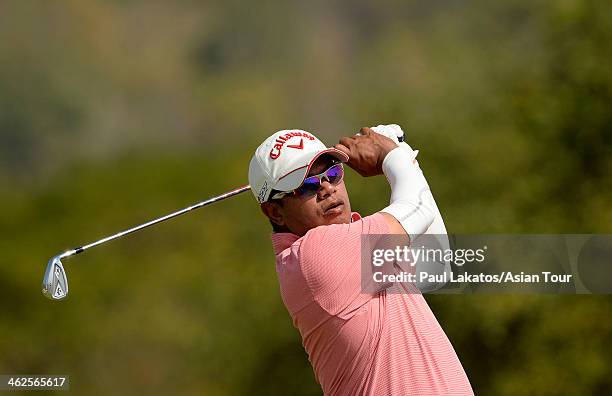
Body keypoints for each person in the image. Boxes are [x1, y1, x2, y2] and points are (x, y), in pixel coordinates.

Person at [248, 125, 473, 395]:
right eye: (307, 185)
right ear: (275, 211)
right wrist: (391, 154)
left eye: (332, 172)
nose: (327, 189)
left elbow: (434, 264)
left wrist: (401, 155)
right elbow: (418, 206)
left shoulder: (354, 247)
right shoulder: (314, 255)